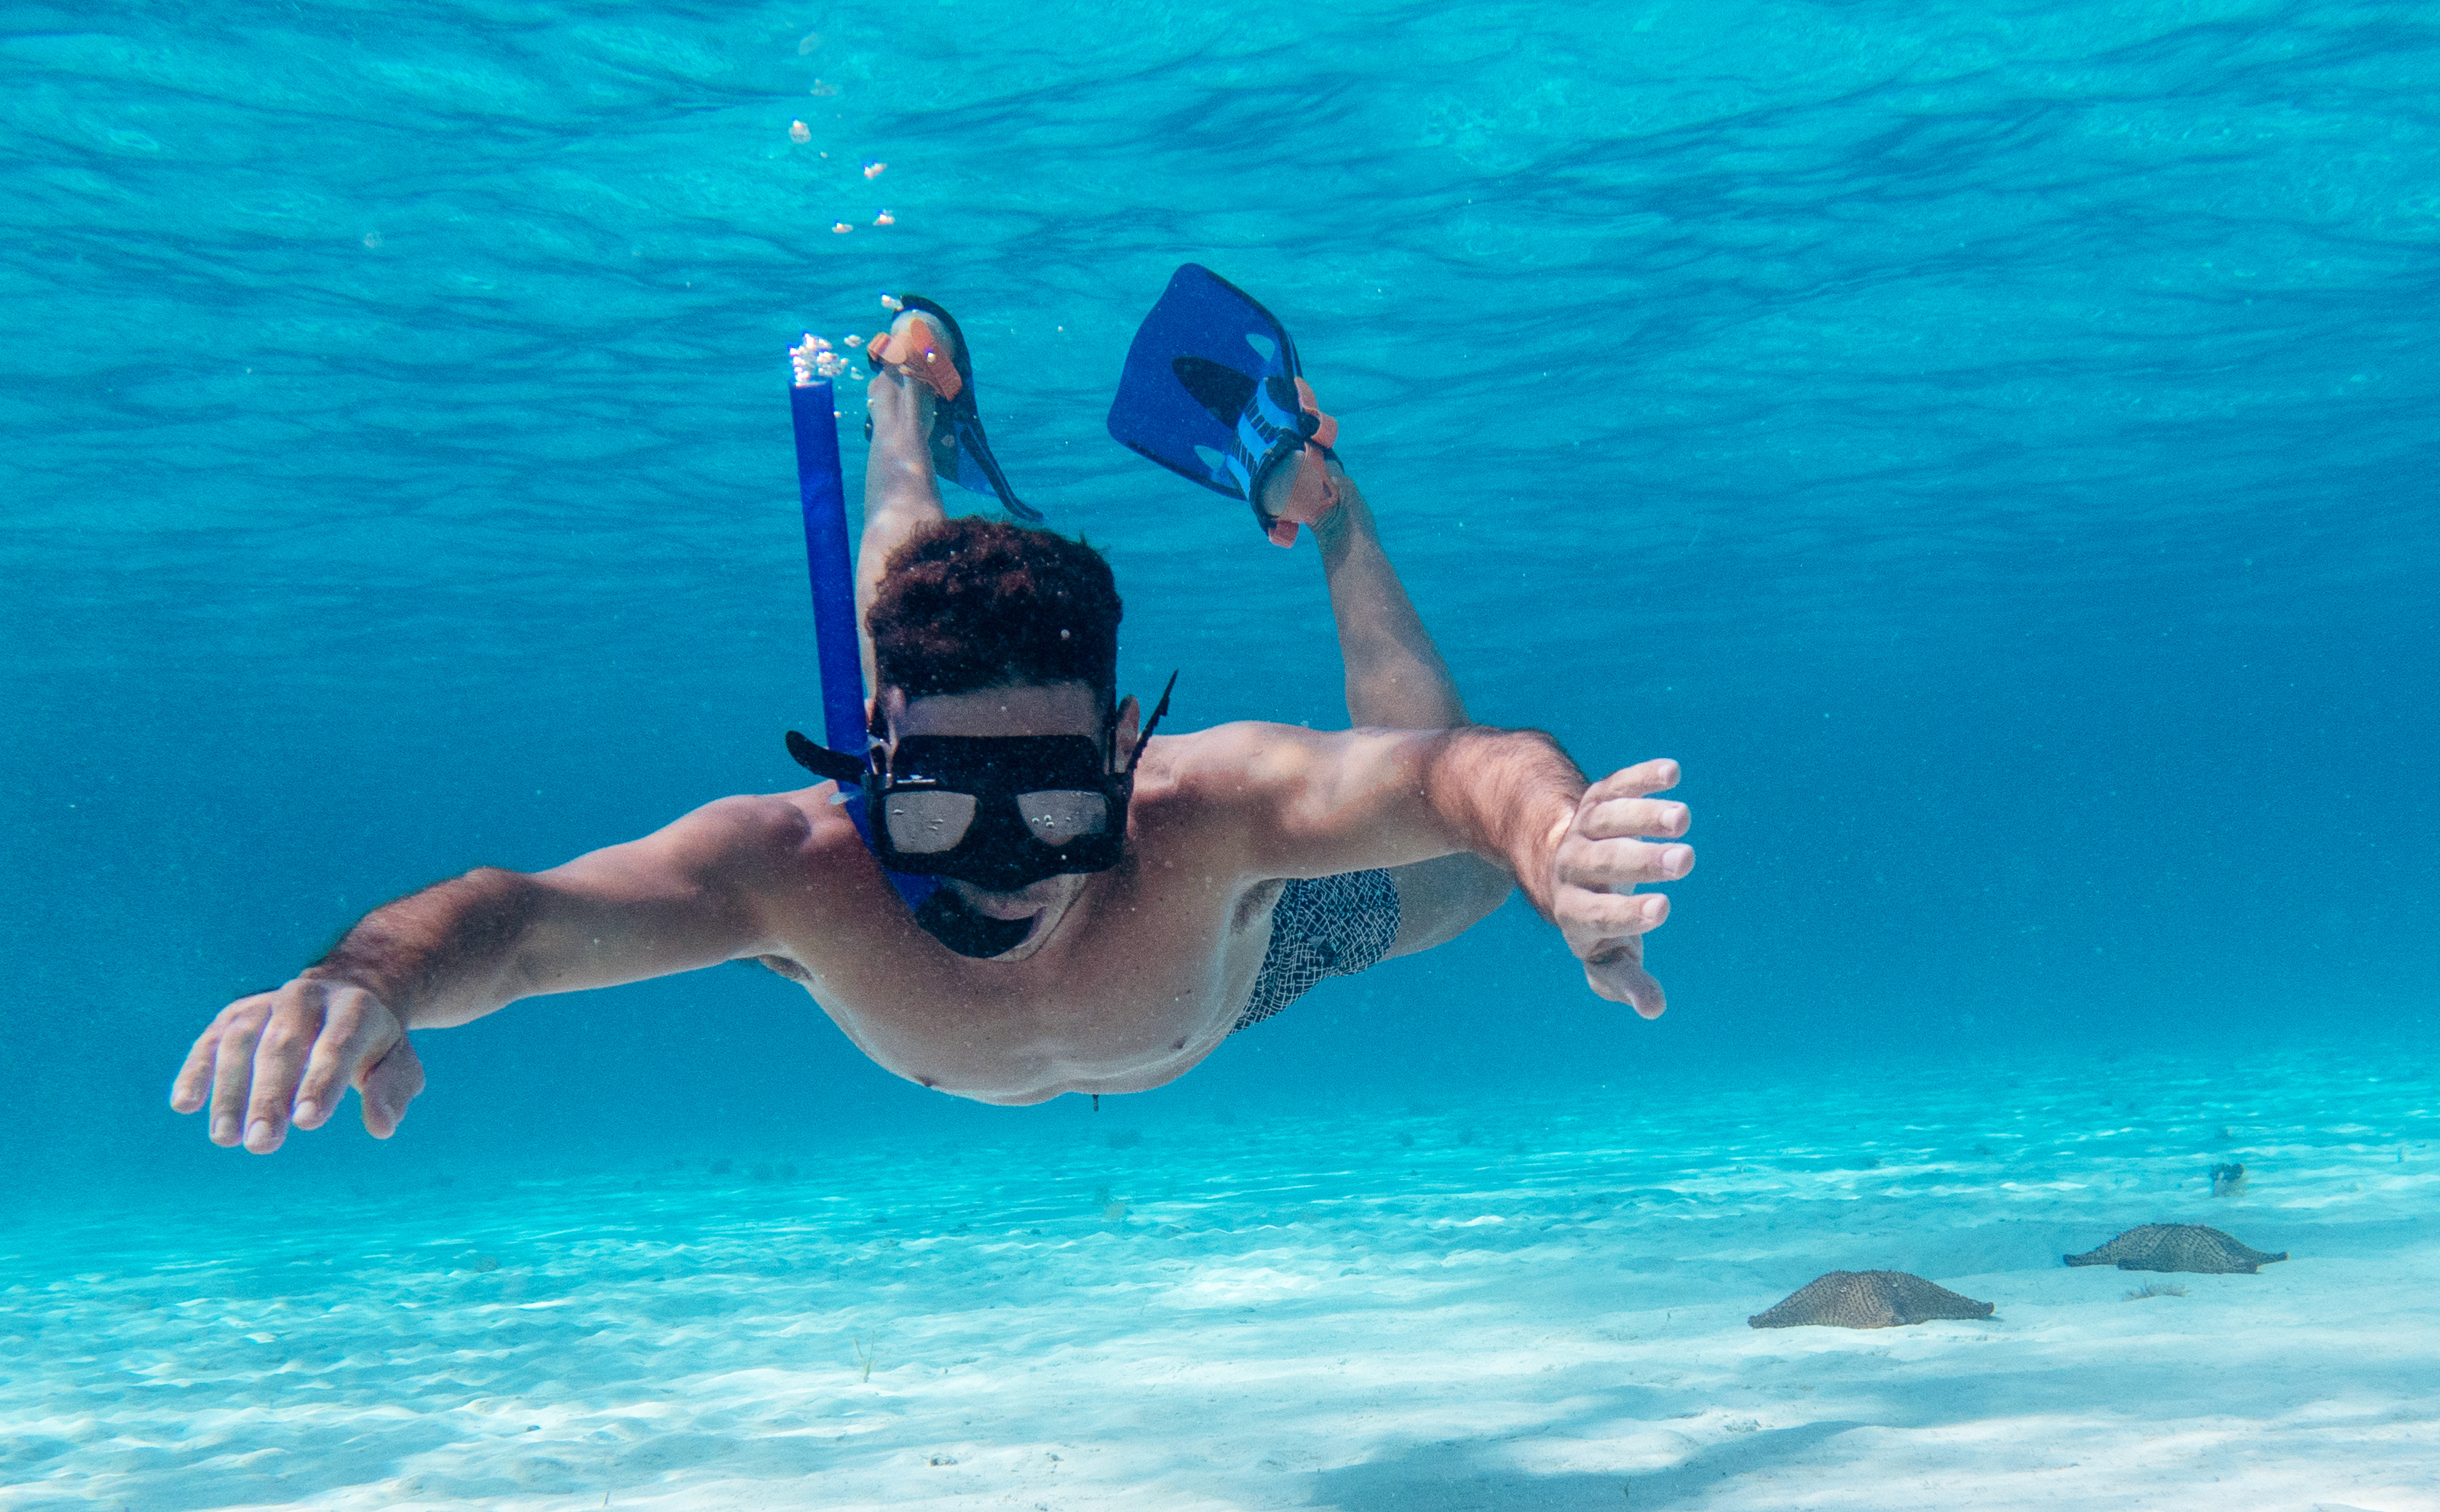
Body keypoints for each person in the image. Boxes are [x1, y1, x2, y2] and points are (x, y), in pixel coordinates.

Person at [170, 302, 1696, 1153]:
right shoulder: (795, 865)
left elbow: (1450, 775)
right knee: (911, 596)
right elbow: (514, 924)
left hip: (1228, 962)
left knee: (1458, 883)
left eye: (1056, 807)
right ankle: (902, 397)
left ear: (1120, 755)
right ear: (872, 771)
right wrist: (360, 978)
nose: (1004, 868)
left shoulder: (1201, 815)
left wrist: (1550, 836)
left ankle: (1326, 502)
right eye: (936, 809)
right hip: (920, 833)